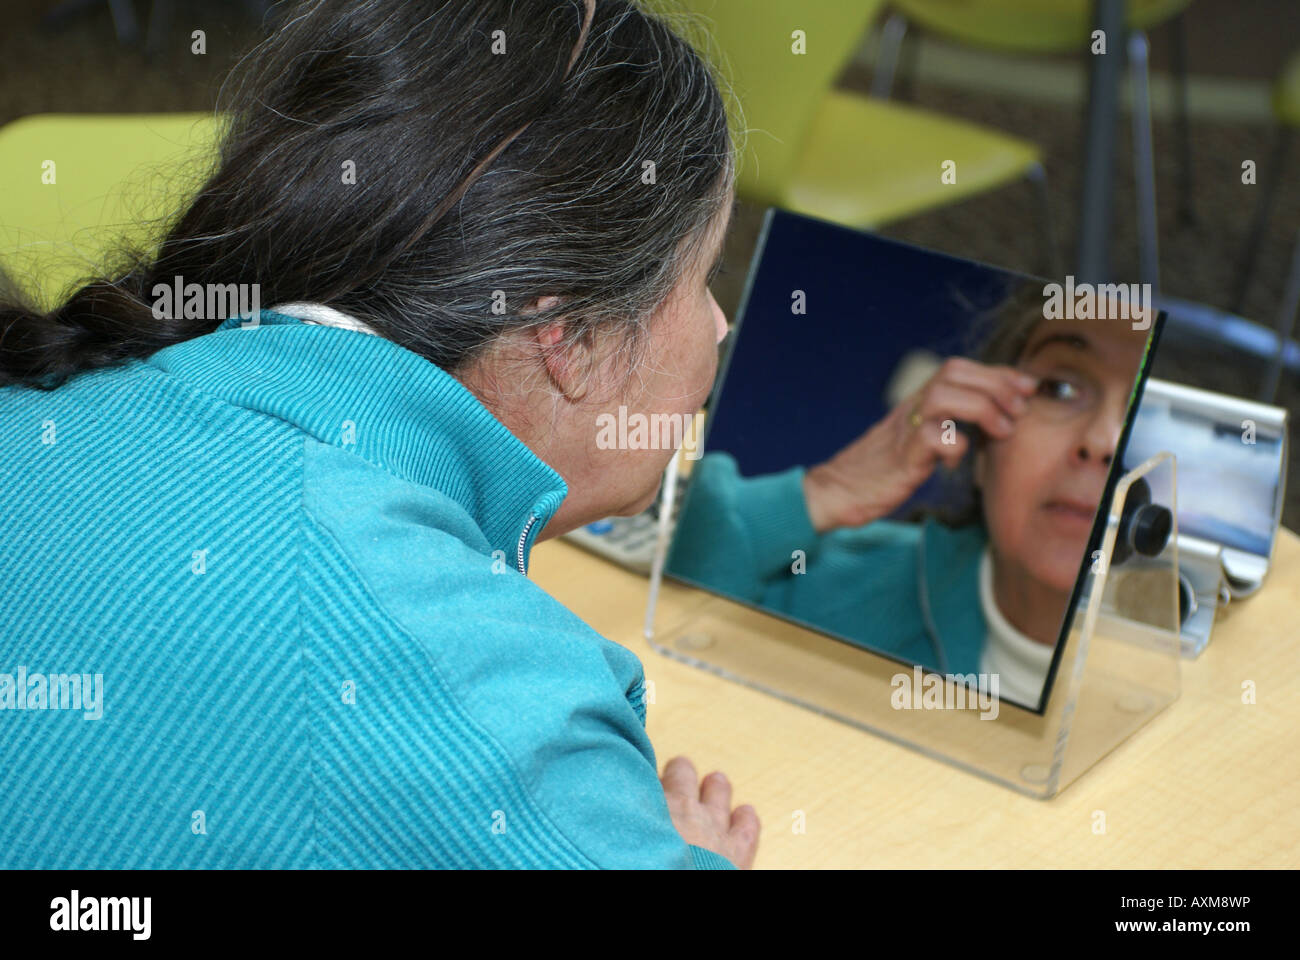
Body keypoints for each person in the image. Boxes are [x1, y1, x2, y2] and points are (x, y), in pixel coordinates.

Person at [0, 0, 759, 869]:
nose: (720, 324)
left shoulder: (67, 399)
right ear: (571, 338)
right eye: (707, 275)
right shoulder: (489, 697)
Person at [668, 292, 1151, 708]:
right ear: (980, 447)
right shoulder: (840, 580)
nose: (1104, 440)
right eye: (1059, 388)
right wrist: (825, 492)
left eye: (1143, 402)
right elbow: (680, 582)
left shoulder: (1186, 679)